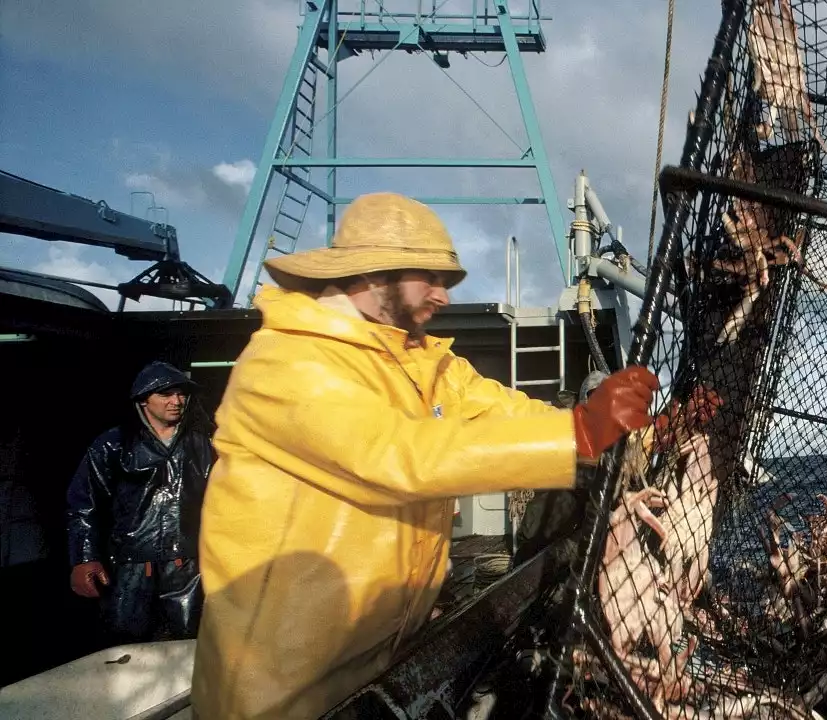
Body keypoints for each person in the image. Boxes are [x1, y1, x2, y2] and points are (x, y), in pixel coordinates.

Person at [190, 192, 659, 719]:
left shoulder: (423, 361)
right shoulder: (287, 362)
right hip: (284, 693)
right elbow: (398, 457)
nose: (443, 294)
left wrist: (623, 430)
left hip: (384, 669)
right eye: (430, 278)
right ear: (374, 274)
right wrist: (577, 436)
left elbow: (500, 412)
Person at [66, 361, 214, 645]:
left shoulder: (205, 444)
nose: (177, 401)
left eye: (181, 394)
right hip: (129, 563)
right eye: (166, 394)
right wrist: (85, 557)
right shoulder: (113, 444)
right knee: (125, 641)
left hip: (188, 564)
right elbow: (84, 502)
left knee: (189, 642)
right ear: (144, 399)